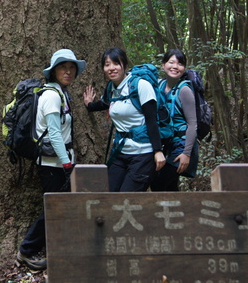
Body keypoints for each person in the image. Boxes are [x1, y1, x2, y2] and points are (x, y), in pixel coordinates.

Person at [17, 49, 86, 271]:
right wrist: (67, 163)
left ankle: (59, 250)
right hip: (52, 164)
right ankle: (26, 251)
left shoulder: (60, 94)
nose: (68, 71)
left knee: (58, 208)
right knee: (53, 209)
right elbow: (54, 133)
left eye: (72, 67)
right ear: (53, 71)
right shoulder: (51, 95)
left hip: (57, 162)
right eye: (63, 67)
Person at [84, 47, 165, 192]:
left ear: (125, 66)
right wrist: (90, 105)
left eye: (116, 63)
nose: (111, 68)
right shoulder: (112, 88)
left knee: (127, 200)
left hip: (143, 154)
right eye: (107, 64)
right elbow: (106, 103)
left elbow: (152, 121)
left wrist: (157, 151)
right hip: (121, 153)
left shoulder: (140, 85)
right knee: (109, 193)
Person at [150, 49, 198, 191]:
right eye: (171, 62)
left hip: (182, 145)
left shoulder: (184, 91)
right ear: (163, 65)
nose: (175, 67)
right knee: (170, 187)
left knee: (159, 183)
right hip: (166, 145)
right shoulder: (159, 85)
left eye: (180, 64)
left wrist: (187, 154)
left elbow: (192, 124)